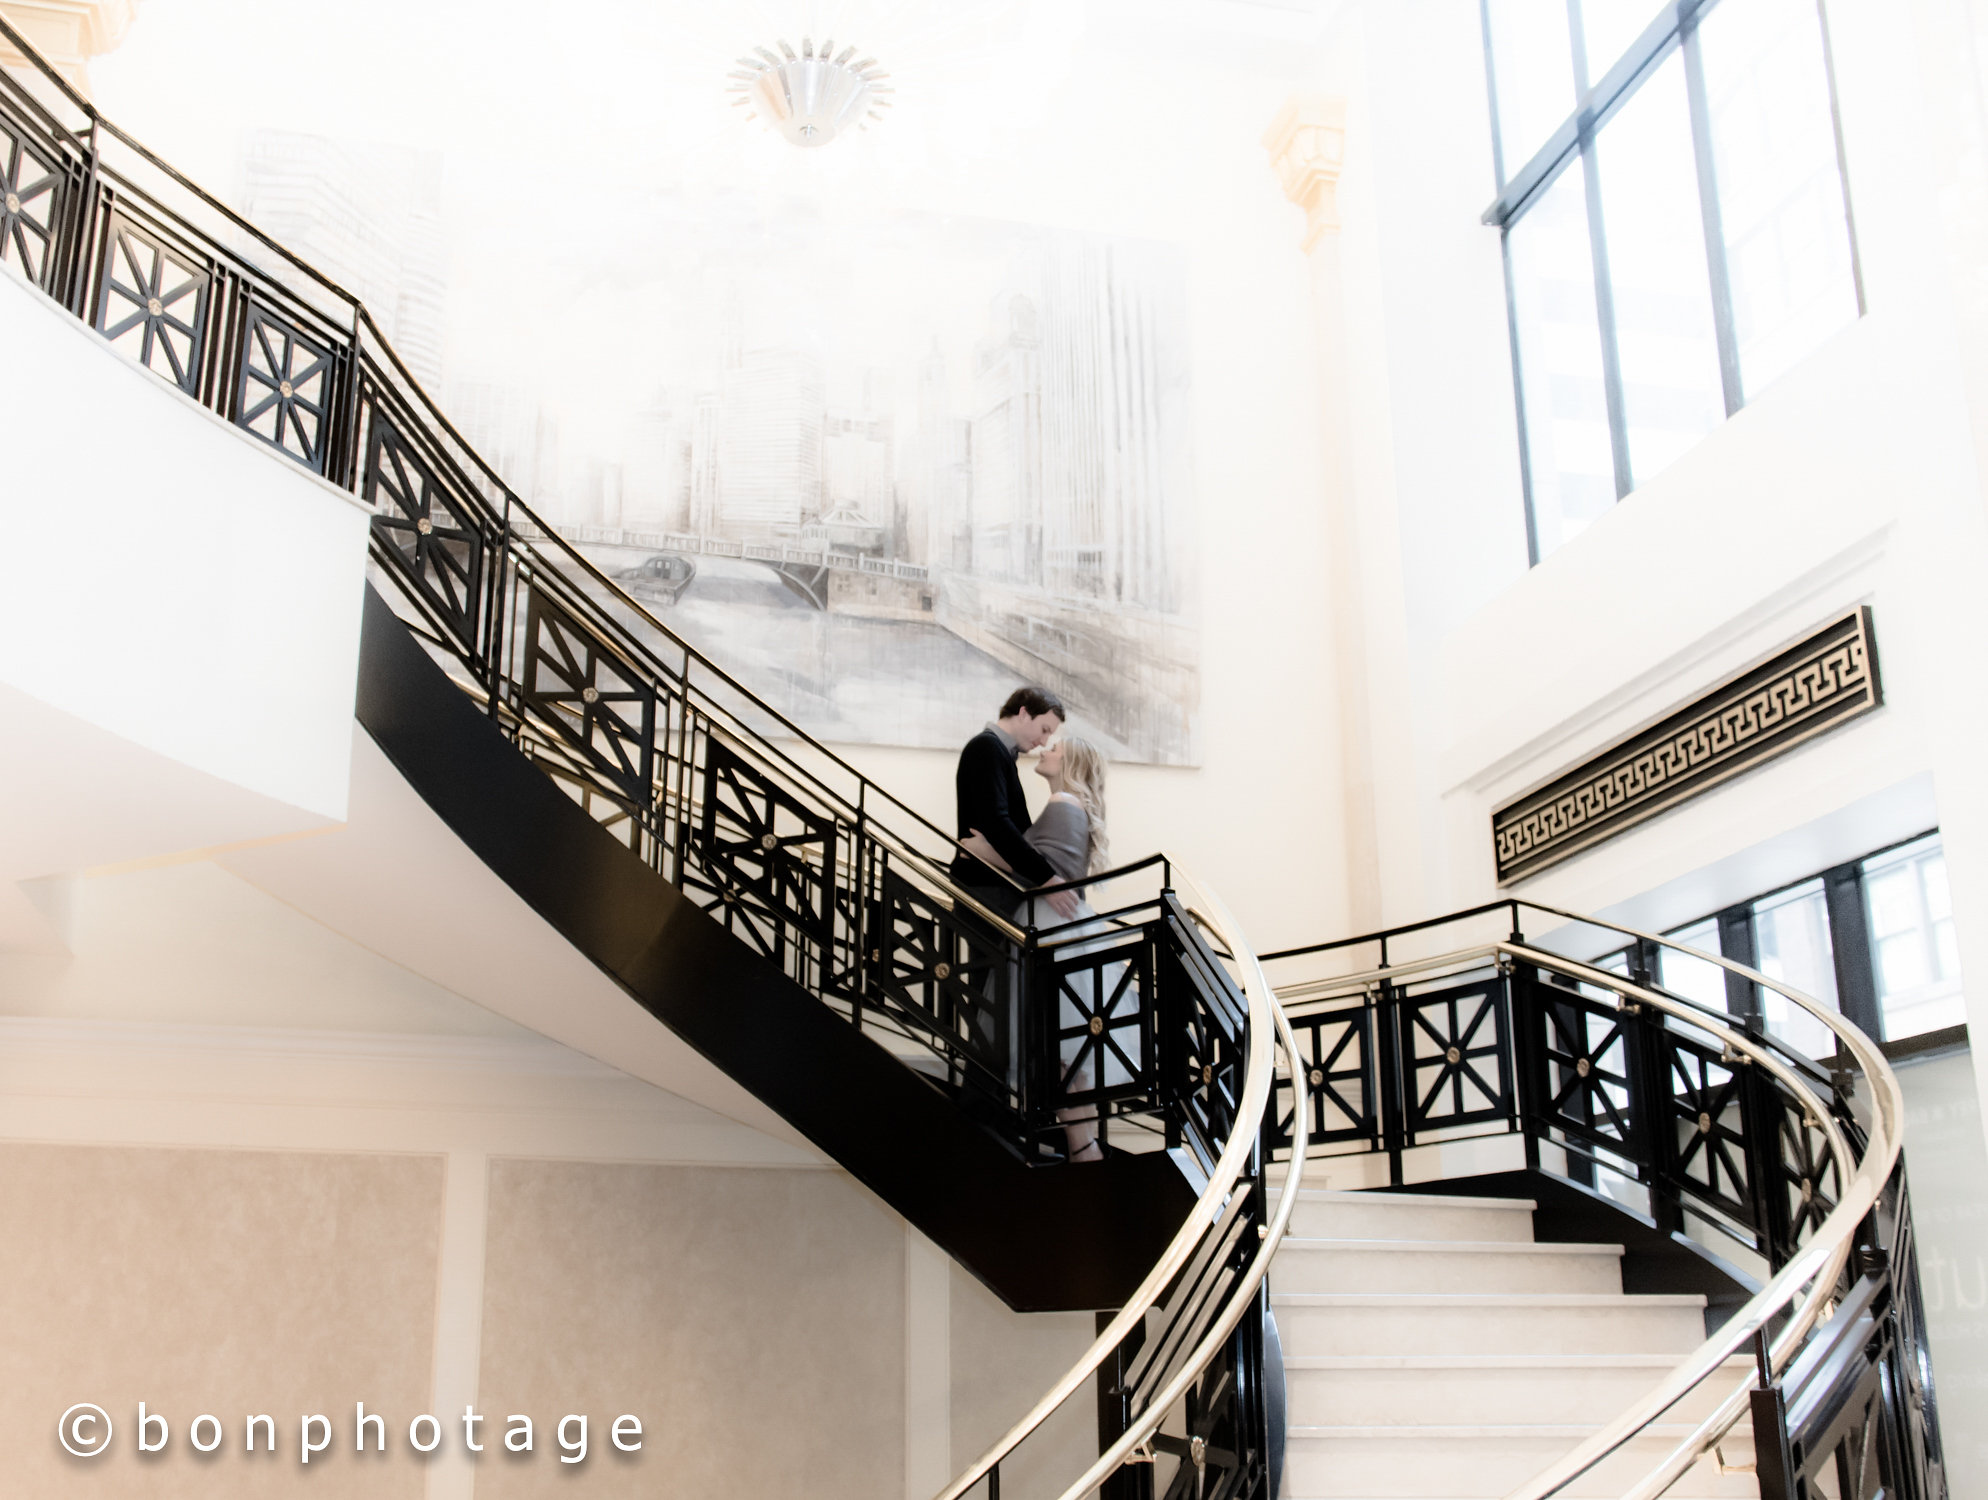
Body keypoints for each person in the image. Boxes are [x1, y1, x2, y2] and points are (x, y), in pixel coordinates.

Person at [959, 733, 1115, 1162]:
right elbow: (1041, 858)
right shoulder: (1066, 804)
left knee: (1062, 1054)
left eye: (1055, 748)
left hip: (1050, 932)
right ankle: (1085, 1149)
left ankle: (1084, 1149)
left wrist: (983, 852)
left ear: (1070, 762)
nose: (1045, 750)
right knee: (1065, 1054)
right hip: (1056, 931)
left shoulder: (1064, 803)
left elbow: (1048, 867)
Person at [951, 687, 1079, 922]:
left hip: (994, 883)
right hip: (988, 886)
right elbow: (997, 823)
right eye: (1044, 730)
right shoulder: (987, 747)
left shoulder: (996, 750)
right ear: (1023, 713)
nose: (1043, 742)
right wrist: (1047, 878)